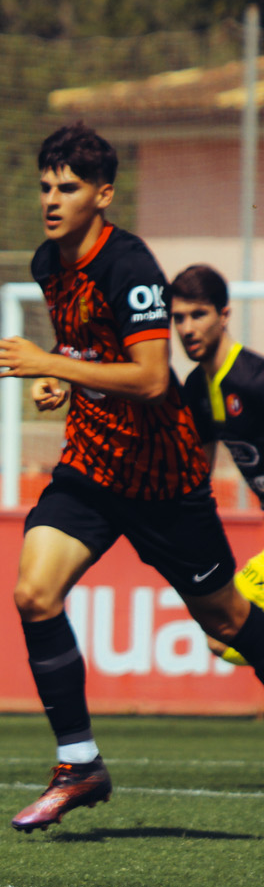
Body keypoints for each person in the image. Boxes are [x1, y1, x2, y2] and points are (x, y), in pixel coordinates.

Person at [0, 125, 264, 831]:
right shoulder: (48, 262)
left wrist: (49, 364)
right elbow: (87, 346)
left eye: (68, 187)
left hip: (164, 480)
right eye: (45, 186)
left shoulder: (131, 265)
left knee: (228, 621)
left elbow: (149, 377)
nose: (51, 200)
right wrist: (64, 375)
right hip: (91, 468)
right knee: (33, 593)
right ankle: (79, 763)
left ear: (103, 195)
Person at [171, 263, 264, 659]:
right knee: (221, 633)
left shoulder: (255, 380)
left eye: (198, 315)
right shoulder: (196, 387)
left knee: (226, 630)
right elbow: (197, 477)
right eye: (178, 318)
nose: (187, 328)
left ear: (224, 315)